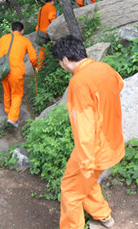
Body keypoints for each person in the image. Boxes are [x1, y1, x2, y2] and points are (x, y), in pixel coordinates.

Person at [52, 35, 124, 229]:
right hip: (112, 140)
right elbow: (120, 84)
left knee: (70, 190)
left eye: (60, 63)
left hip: (94, 148)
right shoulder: (104, 68)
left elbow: (83, 125)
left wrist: (86, 161)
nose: (62, 66)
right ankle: (103, 216)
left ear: (65, 60)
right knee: (85, 181)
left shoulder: (79, 82)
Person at [0, 22, 38, 127]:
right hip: (16, 72)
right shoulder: (25, 40)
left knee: (7, 91)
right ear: (22, 31)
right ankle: (12, 118)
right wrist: (35, 65)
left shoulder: (4, 38)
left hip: (4, 70)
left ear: (11, 30)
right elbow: (33, 58)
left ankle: (8, 110)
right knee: (16, 94)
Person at [35, 0, 57, 68]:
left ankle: (39, 67)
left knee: (42, 50)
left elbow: (39, 20)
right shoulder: (51, 7)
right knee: (54, 46)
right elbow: (51, 18)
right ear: (52, 1)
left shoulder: (41, 9)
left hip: (40, 31)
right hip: (48, 32)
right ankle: (55, 63)